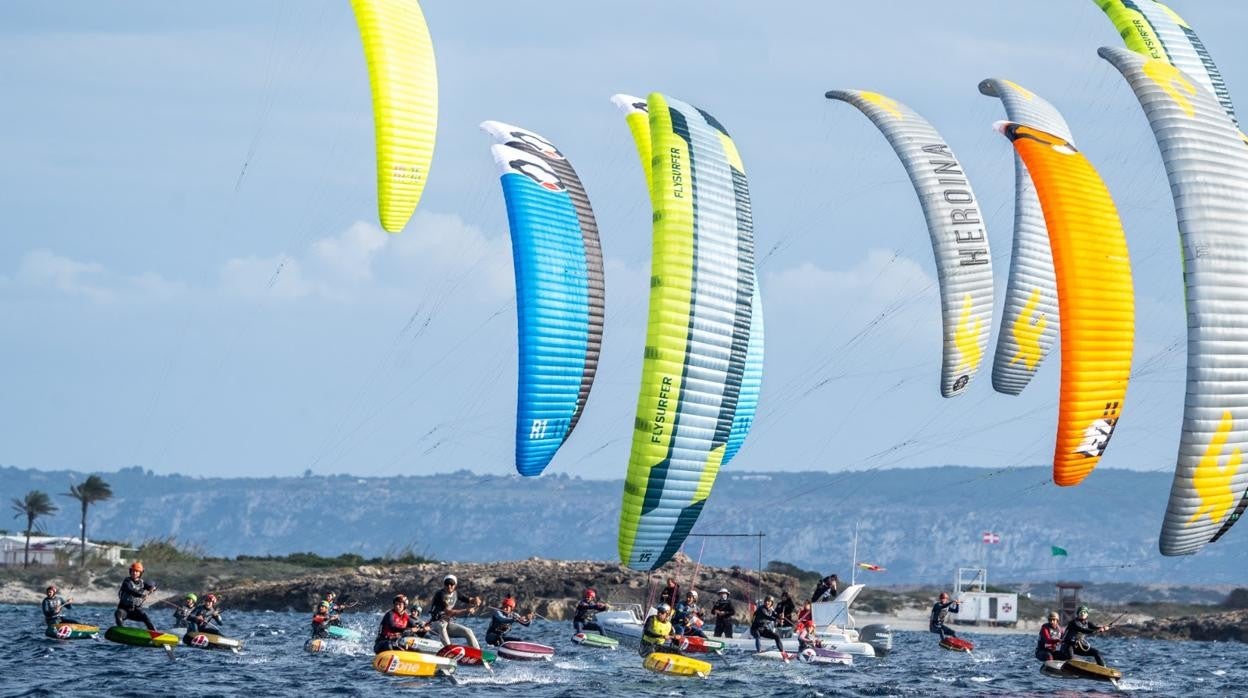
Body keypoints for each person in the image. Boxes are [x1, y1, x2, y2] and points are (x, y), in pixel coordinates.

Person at [429, 574, 481, 649]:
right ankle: (449, 649)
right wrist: (466, 610)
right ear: (444, 585)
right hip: (435, 624)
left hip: (447, 623)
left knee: (468, 631)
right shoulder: (440, 594)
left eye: (452, 584)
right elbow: (448, 612)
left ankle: (477, 653)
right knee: (442, 625)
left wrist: (476, 599)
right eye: (447, 584)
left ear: (455, 585)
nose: (449, 586)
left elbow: (469, 599)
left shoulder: (456, 593)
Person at [114, 561, 157, 630]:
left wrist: (153, 587)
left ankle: (154, 633)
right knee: (118, 613)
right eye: (133, 571)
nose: (134, 573)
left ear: (140, 573)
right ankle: (121, 630)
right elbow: (130, 590)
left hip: (136, 610)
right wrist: (141, 595)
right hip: (124, 609)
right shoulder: (126, 582)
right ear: (130, 572)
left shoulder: (142, 583)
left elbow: (153, 584)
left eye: (137, 571)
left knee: (145, 617)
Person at [750, 595, 788, 659]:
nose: (767, 603)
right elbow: (767, 616)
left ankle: (782, 652)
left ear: (772, 603)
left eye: (769, 601)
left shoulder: (771, 610)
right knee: (757, 635)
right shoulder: (761, 608)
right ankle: (759, 651)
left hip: (763, 629)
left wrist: (780, 617)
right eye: (766, 601)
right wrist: (776, 620)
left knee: (776, 636)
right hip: (755, 629)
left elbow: (775, 615)